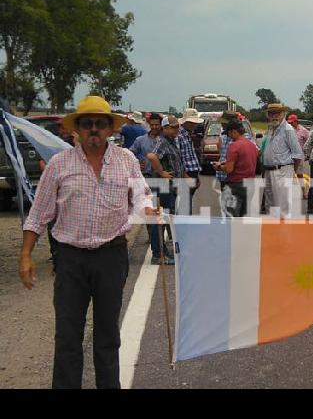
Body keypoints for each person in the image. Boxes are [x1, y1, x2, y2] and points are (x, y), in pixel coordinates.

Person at [19, 95, 157, 389]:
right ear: (76, 130)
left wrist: (147, 208)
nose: (93, 129)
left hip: (112, 256)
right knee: (68, 336)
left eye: (100, 124)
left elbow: (142, 195)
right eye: (87, 124)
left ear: (110, 129)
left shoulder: (126, 160)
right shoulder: (59, 164)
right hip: (71, 260)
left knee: (108, 336)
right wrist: (26, 256)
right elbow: (39, 214)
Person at [146, 115, 185, 264]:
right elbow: (151, 156)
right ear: (165, 128)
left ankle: (162, 250)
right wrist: (162, 173)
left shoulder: (170, 141)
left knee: (164, 219)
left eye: (177, 127)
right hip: (164, 187)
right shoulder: (162, 141)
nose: (177, 129)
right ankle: (158, 254)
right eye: (173, 127)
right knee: (160, 220)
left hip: (170, 187)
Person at [261, 102, 304, 218]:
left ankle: (284, 232)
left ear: (283, 114)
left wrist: (290, 171)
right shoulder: (271, 129)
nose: (274, 116)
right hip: (269, 171)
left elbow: (297, 154)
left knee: (282, 207)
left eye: (277, 113)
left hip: (282, 170)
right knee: (270, 205)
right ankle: (272, 232)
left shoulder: (288, 129)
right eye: (271, 113)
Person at [214, 120, 259, 217]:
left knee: (231, 216)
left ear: (234, 132)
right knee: (244, 216)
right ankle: (242, 232)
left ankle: (232, 232)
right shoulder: (252, 145)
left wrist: (219, 167)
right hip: (250, 184)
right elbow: (244, 160)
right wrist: (225, 163)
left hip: (236, 185)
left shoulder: (234, 146)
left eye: (229, 133)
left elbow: (229, 169)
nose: (228, 136)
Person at [178, 108, 204, 215]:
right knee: (185, 203)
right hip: (186, 174)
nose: (194, 124)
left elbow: (191, 155)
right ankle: (183, 228)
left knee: (187, 202)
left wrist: (197, 177)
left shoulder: (188, 135)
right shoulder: (179, 136)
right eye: (192, 122)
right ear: (186, 122)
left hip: (192, 172)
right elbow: (178, 158)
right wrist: (184, 175)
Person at [287, 114, 310, 199]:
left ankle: (304, 193)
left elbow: (309, 142)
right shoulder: (288, 130)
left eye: (292, 122)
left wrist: (307, 153)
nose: (290, 124)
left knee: (299, 175)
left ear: (296, 122)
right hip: (288, 156)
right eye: (289, 123)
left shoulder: (303, 130)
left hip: (299, 157)